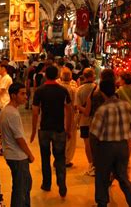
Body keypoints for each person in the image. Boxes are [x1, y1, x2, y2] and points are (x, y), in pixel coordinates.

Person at [89, 79, 131, 207]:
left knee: (102, 176)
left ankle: (102, 203)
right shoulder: (126, 106)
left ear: (102, 92)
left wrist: (94, 155)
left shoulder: (102, 109)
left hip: (106, 147)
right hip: (122, 145)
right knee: (122, 176)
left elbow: (94, 134)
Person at [30, 66, 72, 196]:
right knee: (60, 158)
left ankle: (46, 184)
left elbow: (35, 112)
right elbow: (69, 111)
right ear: (57, 75)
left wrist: (33, 131)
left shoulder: (39, 91)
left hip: (44, 129)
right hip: (59, 129)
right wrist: (68, 129)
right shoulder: (63, 91)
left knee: (45, 157)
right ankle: (62, 183)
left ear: (46, 76)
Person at [0, 83, 35, 207]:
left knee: (23, 186)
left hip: (12, 154)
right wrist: (30, 155)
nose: (26, 96)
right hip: (17, 156)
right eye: (22, 93)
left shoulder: (7, 109)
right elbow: (19, 138)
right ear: (13, 95)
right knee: (22, 189)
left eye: (26, 93)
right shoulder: (12, 113)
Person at [75, 68, 97, 176]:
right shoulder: (97, 88)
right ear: (93, 75)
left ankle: (91, 165)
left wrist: (81, 108)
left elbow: (77, 106)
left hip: (85, 121)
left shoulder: (79, 89)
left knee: (87, 144)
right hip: (97, 120)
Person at [58, 67, 78, 168]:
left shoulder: (57, 87)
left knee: (59, 138)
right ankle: (66, 160)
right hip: (71, 115)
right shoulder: (73, 89)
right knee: (70, 139)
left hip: (58, 115)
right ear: (70, 78)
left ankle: (59, 158)